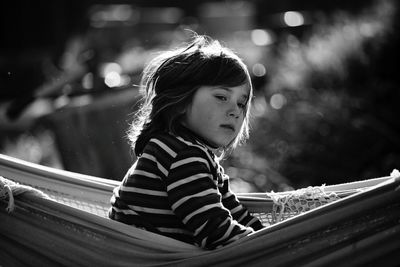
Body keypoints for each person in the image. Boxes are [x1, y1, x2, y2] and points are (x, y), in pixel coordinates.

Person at [109, 35, 264, 250]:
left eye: (241, 103)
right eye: (221, 97)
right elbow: (215, 231)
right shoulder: (183, 155)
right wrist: (270, 247)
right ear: (181, 101)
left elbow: (233, 211)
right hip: (145, 257)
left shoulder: (192, 153)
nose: (235, 111)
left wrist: (270, 235)